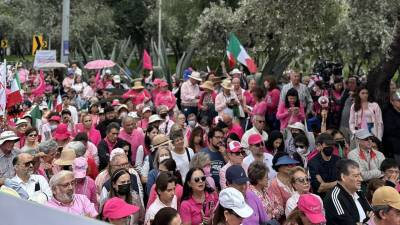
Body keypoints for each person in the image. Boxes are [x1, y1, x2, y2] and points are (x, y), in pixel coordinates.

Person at [324, 159, 371, 225]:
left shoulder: (359, 192)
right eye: (356, 176)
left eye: (360, 175)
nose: (361, 179)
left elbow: (373, 215)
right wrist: (368, 221)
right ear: (343, 177)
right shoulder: (335, 197)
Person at [267, 152, 299, 221]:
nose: (289, 166)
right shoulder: (274, 184)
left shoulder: (295, 177)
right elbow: (280, 208)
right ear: (278, 166)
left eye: (290, 164)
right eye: (285, 164)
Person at [308, 133, 340, 198]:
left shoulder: (338, 160)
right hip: (322, 198)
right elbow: (320, 188)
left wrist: (327, 185)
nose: (330, 147)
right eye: (328, 145)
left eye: (332, 145)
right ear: (320, 146)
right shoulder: (313, 162)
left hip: (339, 196)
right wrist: (339, 183)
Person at [382, 89, 400, 161]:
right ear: (392, 101)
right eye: (398, 100)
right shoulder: (388, 113)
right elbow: (390, 131)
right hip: (395, 149)